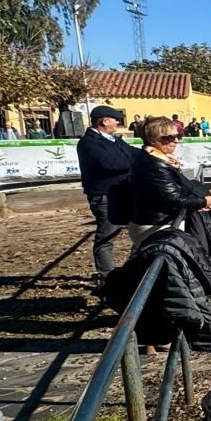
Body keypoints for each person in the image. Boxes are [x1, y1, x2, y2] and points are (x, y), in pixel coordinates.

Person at [128, 116, 211, 246]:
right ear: (152, 139)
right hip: (157, 226)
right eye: (169, 137)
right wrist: (203, 202)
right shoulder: (156, 165)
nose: (176, 140)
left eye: (178, 135)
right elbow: (174, 199)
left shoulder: (153, 159)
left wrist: (175, 169)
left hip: (161, 223)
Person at [76, 105, 136, 286]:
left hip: (124, 192)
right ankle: (107, 278)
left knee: (138, 229)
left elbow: (134, 153)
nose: (117, 122)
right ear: (104, 121)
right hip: (105, 196)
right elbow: (110, 163)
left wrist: (152, 155)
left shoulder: (114, 140)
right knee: (107, 236)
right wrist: (135, 162)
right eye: (115, 119)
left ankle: (135, 268)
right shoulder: (88, 143)